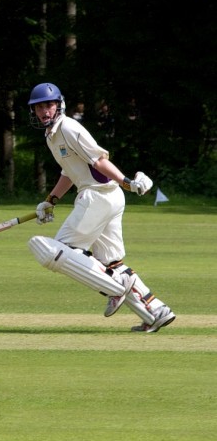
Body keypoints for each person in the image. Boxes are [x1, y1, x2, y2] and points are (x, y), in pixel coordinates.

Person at [26, 83, 176, 333]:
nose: (44, 111)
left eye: (48, 105)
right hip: (106, 197)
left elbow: (99, 161)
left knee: (56, 250)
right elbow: (68, 172)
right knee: (111, 262)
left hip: (97, 196)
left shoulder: (69, 127)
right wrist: (51, 200)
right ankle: (156, 311)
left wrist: (127, 182)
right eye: (39, 107)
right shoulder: (52, 135)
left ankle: (114, 287)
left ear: (59, 105)